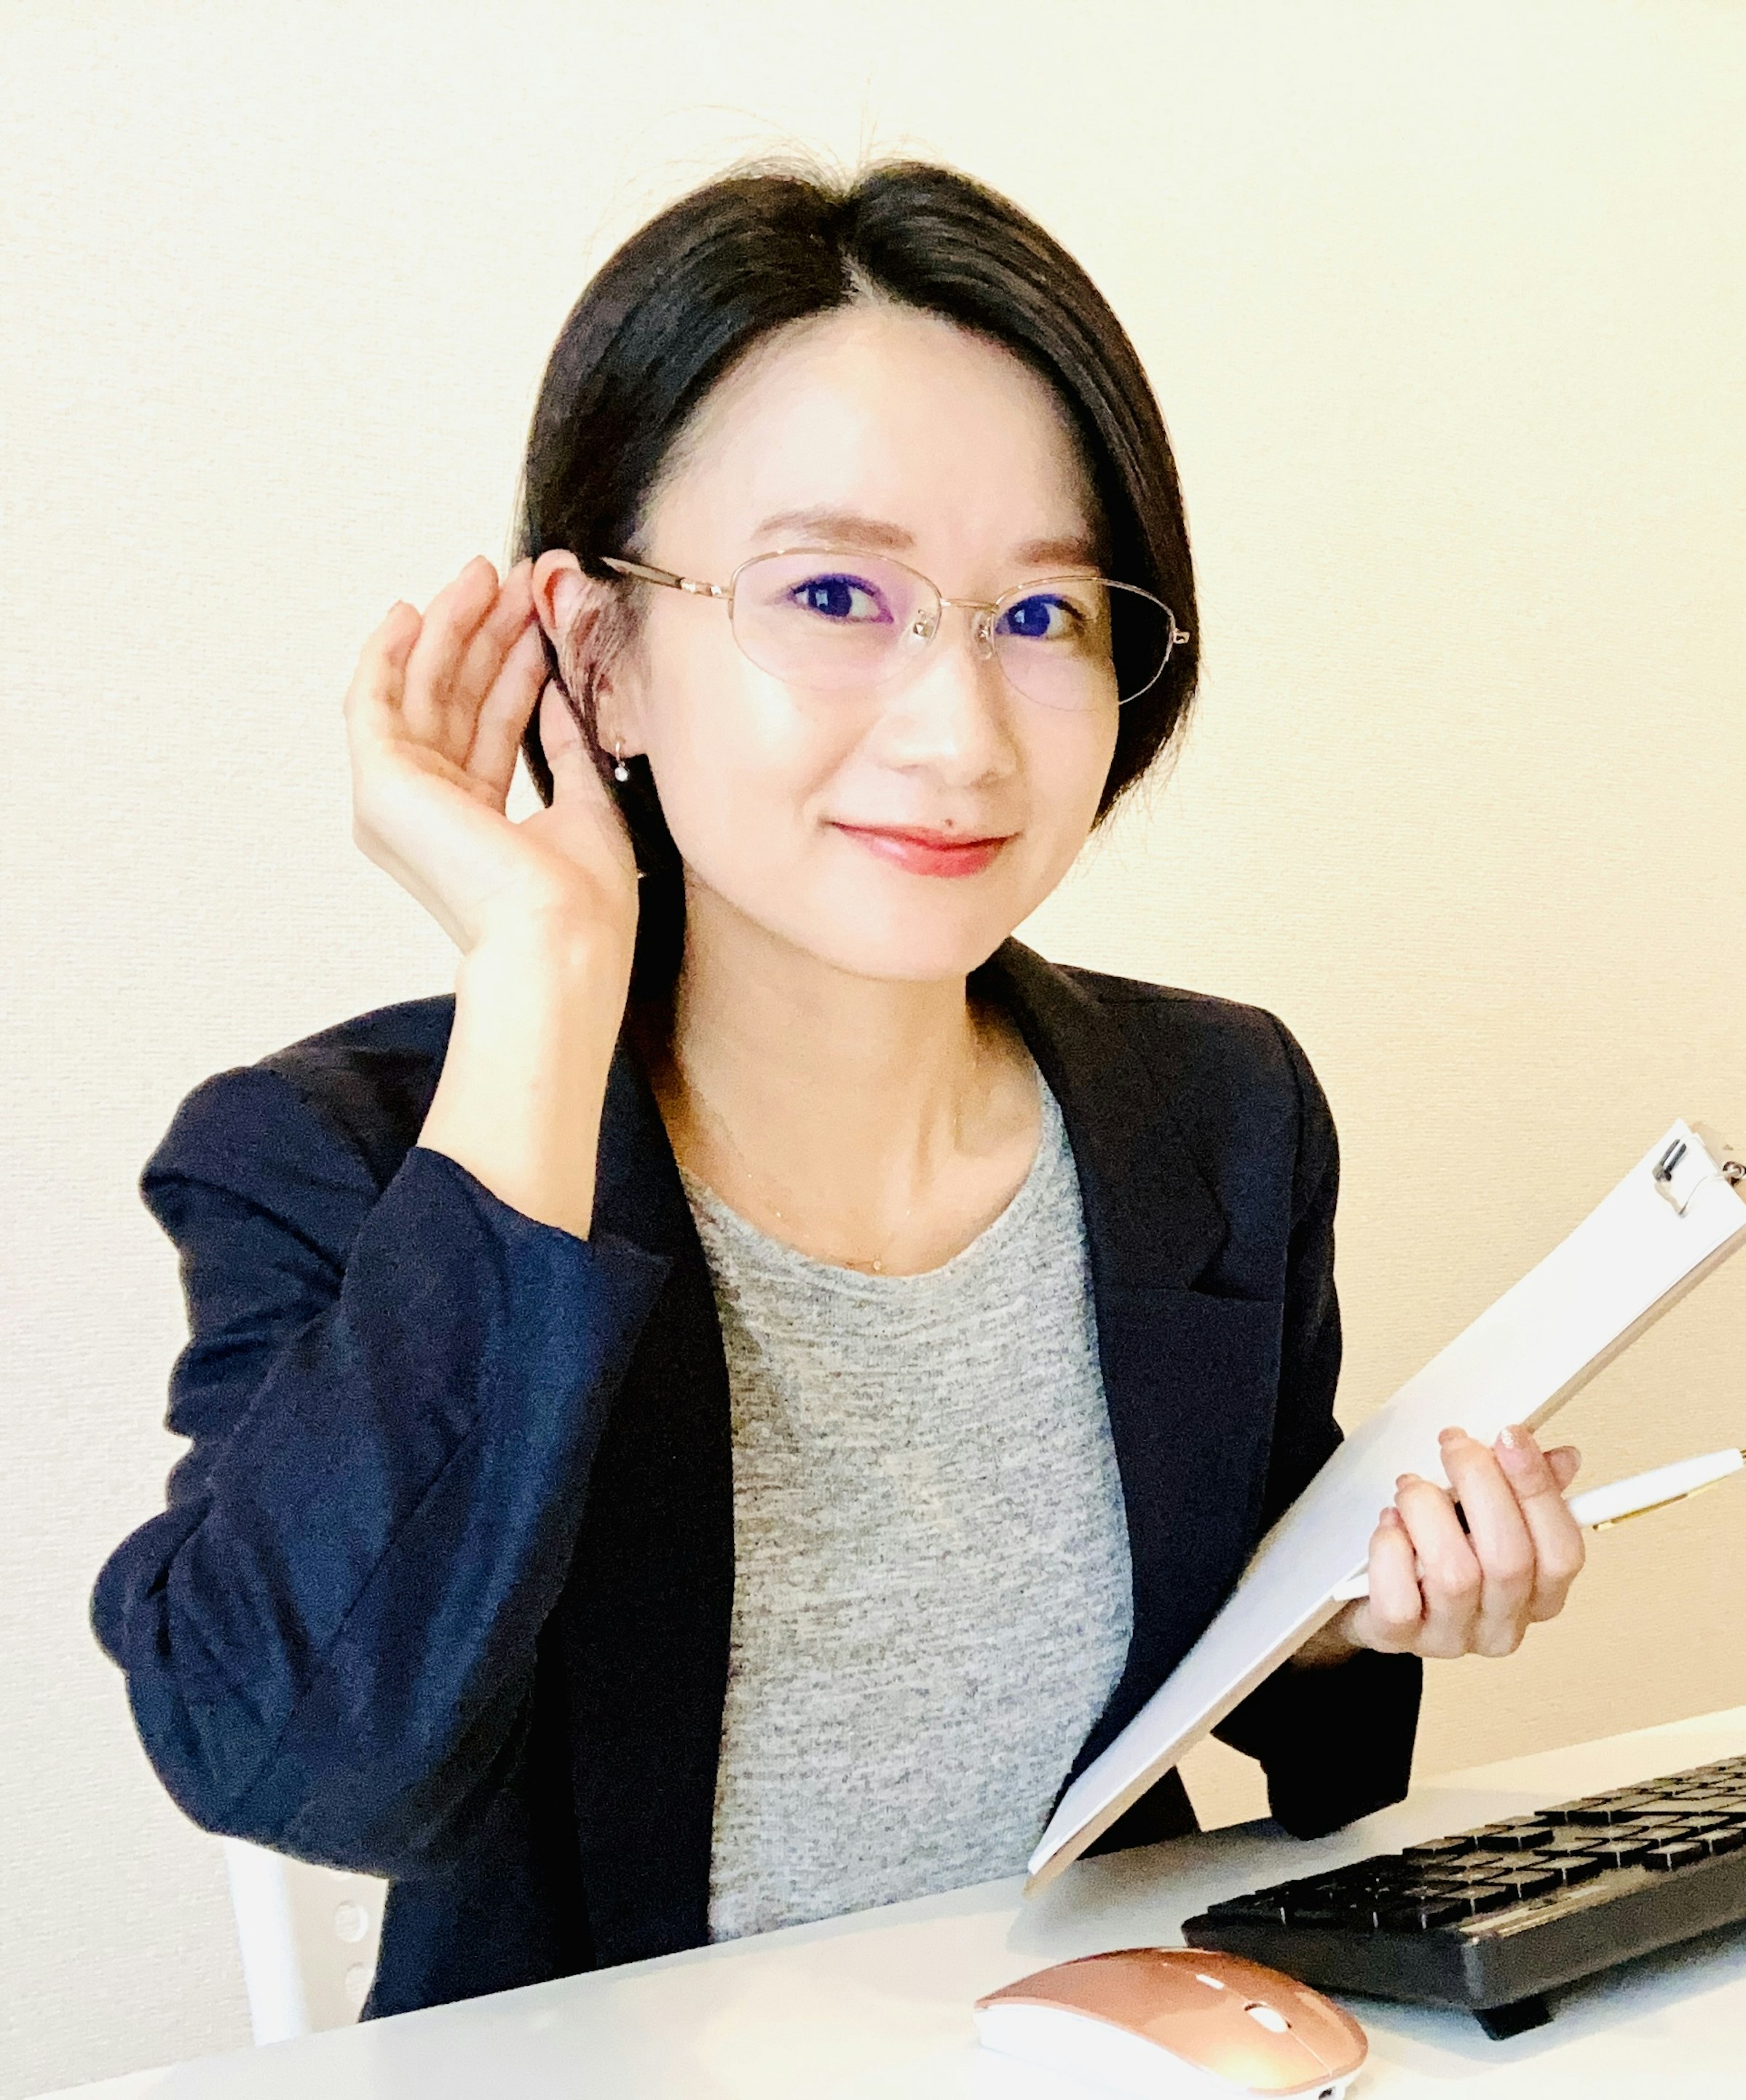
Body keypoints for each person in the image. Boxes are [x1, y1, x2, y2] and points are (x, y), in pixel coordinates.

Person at [91, 159, 1587, 2020]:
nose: (960, 733)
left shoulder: (1215, 1111)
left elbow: (1248, 1678)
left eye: (1043, 620)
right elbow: (309, 1757)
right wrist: (545, 973)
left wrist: (1363, 1624)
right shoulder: (346, 1155)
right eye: (832, 593)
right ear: (599, 655)